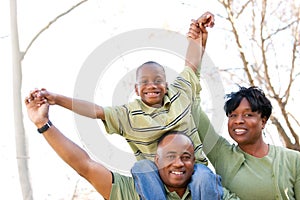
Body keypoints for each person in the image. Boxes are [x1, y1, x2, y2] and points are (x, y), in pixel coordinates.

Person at [30, 12, 226, 199]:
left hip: (196, 171)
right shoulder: (129, 115)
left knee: (203, 177)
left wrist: (197, 33)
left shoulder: (180, 93)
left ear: (166, 85)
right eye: (145, 82)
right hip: (156, 179)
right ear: (136, 89)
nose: (152, 85)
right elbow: (95, 111)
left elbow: (191, 65)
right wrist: (57, 100)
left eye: (157, 80)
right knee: (141, 169)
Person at [24, 96, 239, 199]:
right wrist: (43, 125)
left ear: (194, 161)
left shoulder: (213, 191)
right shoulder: (137, 191)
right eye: (171, 156)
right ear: (157, 160)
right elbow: (85, 166)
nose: (178, 163)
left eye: (186, 157)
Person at [195, 86, 300, 199]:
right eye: (233, 115)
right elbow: (194, 107)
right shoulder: (221, 154)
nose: (238, 121)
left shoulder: (293, 160)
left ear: (263, 121)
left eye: (248, 115)